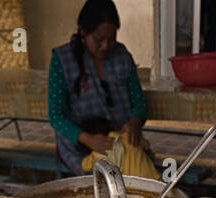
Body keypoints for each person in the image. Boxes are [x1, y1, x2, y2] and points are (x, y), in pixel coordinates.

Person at [47, 0, 148, 176]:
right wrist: (89, 140)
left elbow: (139, 102)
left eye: (112, 39)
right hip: (80, 146)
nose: (106, 46)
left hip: (118, 140)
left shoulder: (122, 56)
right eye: (99, 39)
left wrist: (135, 121)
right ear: (83, 31)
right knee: (101, 181)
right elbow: (56, 116)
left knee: (134, 172)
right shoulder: (62, 60)